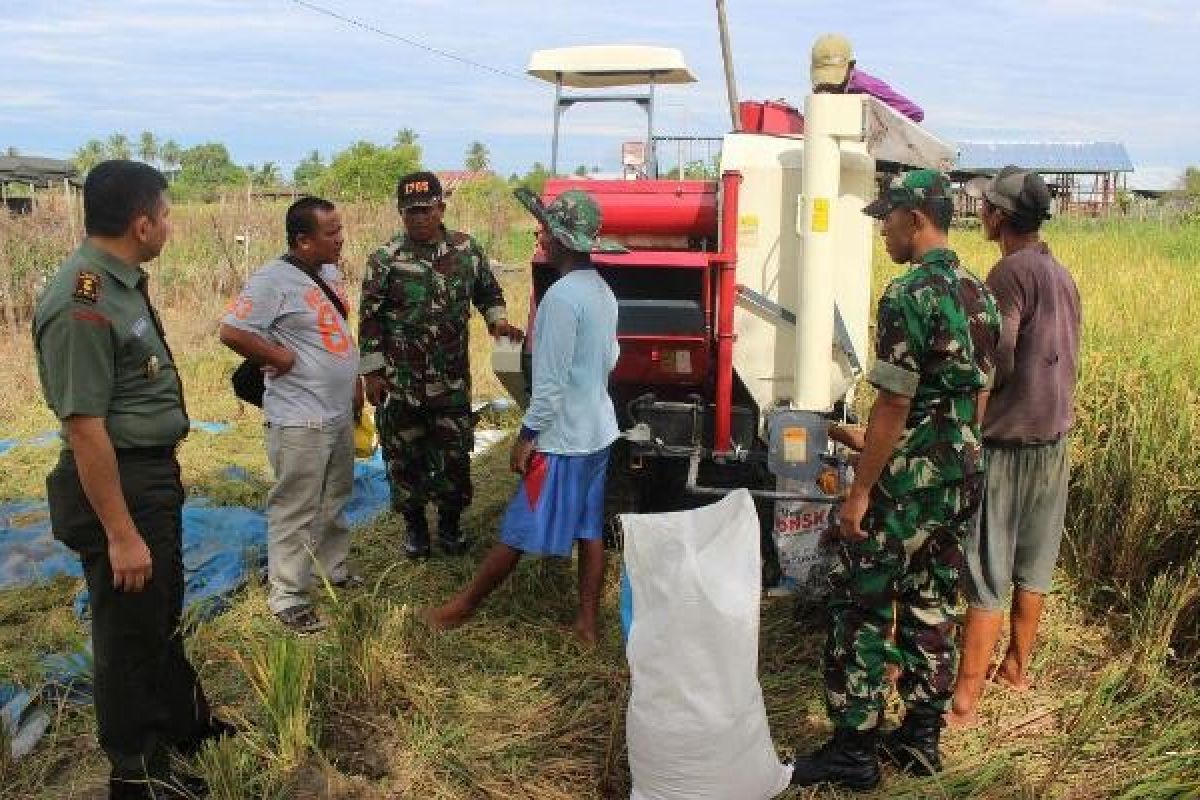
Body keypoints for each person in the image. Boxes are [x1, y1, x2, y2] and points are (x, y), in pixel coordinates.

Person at [790, 170, 1000, 790]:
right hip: (960, 477)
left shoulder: (907, 294)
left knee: (859, 604)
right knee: (933, 603)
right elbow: (978, 399)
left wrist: (860, 493)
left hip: (904, 488)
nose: (882, 229)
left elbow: (892, 405)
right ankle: (920, 738)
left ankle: (853, 752)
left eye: (888, 217)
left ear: (917, 219)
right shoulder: (978, 294)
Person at [34, 160, 233, 799]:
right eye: (168, 215)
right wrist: (120, 532)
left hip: (147, 479)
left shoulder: (120, 284)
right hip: (116, 485)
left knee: (159, 615)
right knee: (127, 636)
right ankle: (138, 773)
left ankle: (183, 726)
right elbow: (85, 426)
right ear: (142, 223)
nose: (171, 226)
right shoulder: (81, 300)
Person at [423, 188, 624, 646]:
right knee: (590, 530)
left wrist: (526, 436)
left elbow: (549, 385)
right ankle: (587, 626)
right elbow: (611, 356)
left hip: (564, 440)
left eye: (545, 227)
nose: (539, 232)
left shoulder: (559, 299)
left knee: (518, 528)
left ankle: (461, 609)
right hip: (598, 431)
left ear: (561, 239)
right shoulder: (601, 291)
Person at [948, 167, 1081, 728]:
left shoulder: (1007, 273)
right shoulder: (1060, 273)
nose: (980, 213)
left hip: (1008, 445)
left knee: (986, 567)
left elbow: (993, 364)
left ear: (999, 217)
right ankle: (1017, 670)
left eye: (985, 207)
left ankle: (964, 703)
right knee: (1034, 562)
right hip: (1054, 440)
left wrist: (966, 435)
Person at [359, 171, 523, 558]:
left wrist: (496, 320)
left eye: (426, 210)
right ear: (401, 213)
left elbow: (488, 292)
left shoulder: (467, 251)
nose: (419, 218)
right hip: (401, 384)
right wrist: (371, 373)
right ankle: (415, 529)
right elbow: (369, 319)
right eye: (410, 212)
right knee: (404, 458)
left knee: (453, 458)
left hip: (450, 382)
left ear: (441, 208)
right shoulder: (385, 259)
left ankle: (450, 526)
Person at [219, 196, 362, 635]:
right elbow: (232, 330)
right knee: (295, 507)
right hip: (300, 417)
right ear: (303, 240)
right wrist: (277, 357)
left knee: (335, 495)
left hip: (336, 412)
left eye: (340, 229)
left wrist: (353, 380)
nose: (340, 239)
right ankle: (288, 597)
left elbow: (336, 329)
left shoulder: (327, 274)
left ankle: (329, 568)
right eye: (331, 233)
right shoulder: (272, 280)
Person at [810, 33, 924, 123]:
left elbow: (915, 113)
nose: (829, 87)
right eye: (824, 81)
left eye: (833, 82)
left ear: (851, 66)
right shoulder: (821, 90)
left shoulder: (868, 87)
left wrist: (871, 124)